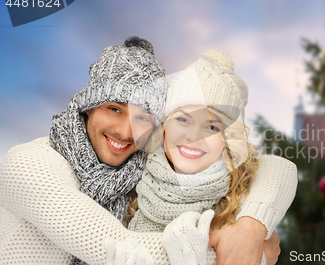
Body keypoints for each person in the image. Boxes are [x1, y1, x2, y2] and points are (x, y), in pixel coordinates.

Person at [0, 37, 297, 265]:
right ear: (87, 107)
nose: (126, 131)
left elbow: (277, 167)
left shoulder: (131, 171)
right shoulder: (30, 164)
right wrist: (251, 253)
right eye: (114, 108)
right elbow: (120, 250)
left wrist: (251, 227)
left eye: (142, 117)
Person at [126, 49, 297, 265]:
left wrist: (251, 229)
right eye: (183, 120)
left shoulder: (241, 198)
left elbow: (281, 167)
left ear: (227, 139)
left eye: (212, 126)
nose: (194, 136)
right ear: (164, 126)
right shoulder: (131, 177)